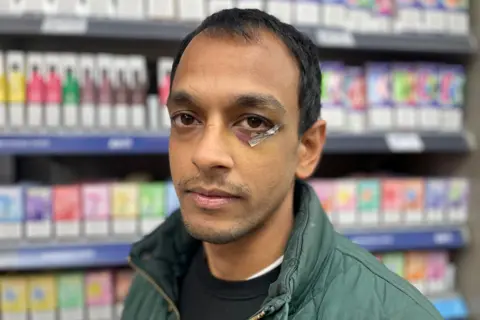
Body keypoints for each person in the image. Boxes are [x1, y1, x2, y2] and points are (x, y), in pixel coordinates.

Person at [122, 8, 443, 320]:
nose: (206, 155)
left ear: (307, 148)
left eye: (253, 122)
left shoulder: (392, 313)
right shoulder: (151, 281)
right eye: (186, 118)